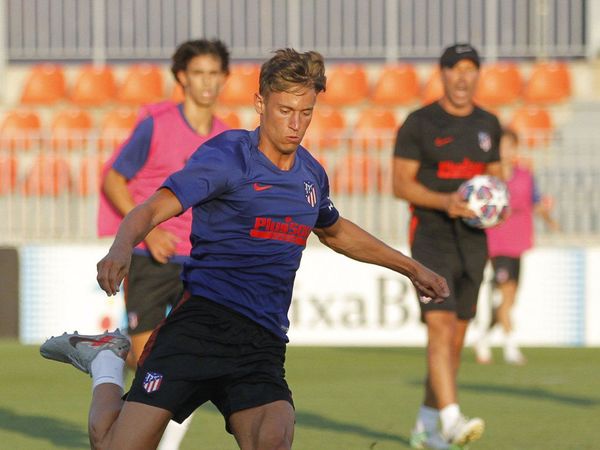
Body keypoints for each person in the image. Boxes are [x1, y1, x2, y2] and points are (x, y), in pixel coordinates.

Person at [40, 48, 450, 450]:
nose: (295, 124)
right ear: (260, 103)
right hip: (200, 327)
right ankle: (107, 363)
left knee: (273, 439)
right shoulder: (227, 157)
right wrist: (121, 246)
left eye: (305, 112)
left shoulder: (311, 175)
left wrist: (411, 268)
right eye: (285, 110)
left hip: (262, 343)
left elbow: (336, 231)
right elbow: (152, 207)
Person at [97, 38, 230, 450]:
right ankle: (107, 362)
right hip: (152, 256)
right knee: (147, 360)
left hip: (203, 262)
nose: (206, 82)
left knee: (194, 361)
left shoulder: (229, 138)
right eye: (198, 73)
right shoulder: (156, 124)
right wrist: (149, 231)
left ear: (224, 78)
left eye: (214, 73)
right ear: (182, 77)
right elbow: (113, 181)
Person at [393, 43, 503, 449]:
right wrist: (445, 202)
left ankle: (425, 427)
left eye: (470, 70)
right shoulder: (420, 123)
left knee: (455, 340)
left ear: (477, 76)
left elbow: (494, 179)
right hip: (431, 236)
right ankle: (452, 421)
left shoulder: (489, 123)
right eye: (455, 69)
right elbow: (399, 183)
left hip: (474, 241)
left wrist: (498, 205)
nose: (462, 77)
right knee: (439, 329)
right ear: (442, 74)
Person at [474, 128, 559, 366]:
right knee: (507, 294)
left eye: (510, 146)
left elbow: (535, 203)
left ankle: (482, 336)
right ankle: (510, 347)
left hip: (518, 243)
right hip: (496, 243)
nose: (506, 151)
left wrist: (550, 219)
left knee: (509, 298)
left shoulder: (525, 175)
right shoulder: (488, 179)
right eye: (502, 146)